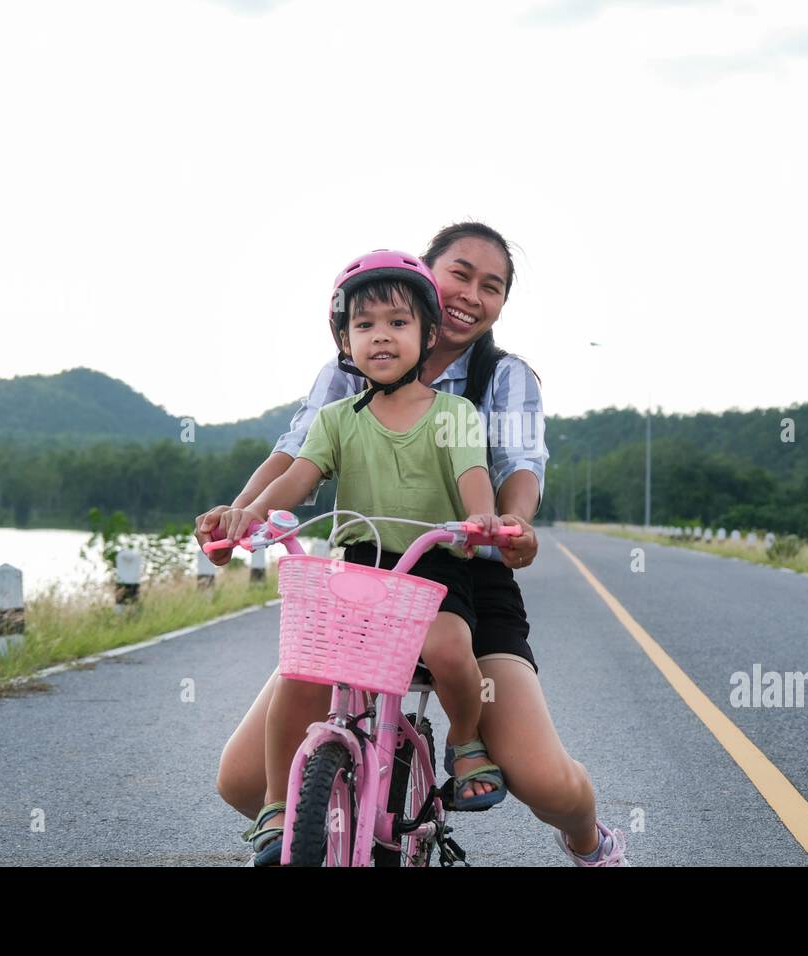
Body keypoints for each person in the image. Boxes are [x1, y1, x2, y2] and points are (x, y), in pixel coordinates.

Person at [200, 222, 628, 866]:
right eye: (460, 273)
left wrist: (507, 527)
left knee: (543, 781)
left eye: (493, 287)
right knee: (243, 781)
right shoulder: (349, 373)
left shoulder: (500, 380)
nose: (472, 295)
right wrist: (240, 514)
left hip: (465, 575)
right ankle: (352, 807)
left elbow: (517, 467)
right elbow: (293, 457)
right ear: (427, 278)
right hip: (366, 571)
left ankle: (589, 839)